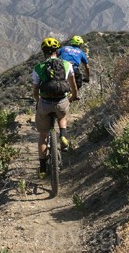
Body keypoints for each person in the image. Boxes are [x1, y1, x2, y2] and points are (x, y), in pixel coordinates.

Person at [32, 37, 79, 176]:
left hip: (45, 104)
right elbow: (73, 85)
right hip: (61, 102)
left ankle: (42, 169)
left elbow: (35, 91)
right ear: (57, 51)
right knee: (62, 115)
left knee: (43, 135)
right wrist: (74, 96)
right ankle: (63, 135)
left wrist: (38, 101)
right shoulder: (67, 65)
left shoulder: (38, 68)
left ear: (44, 52)